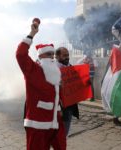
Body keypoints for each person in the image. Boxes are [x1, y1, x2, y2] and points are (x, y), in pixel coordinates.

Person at [16, 20, 66, 150]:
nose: (52, 58)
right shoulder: (33, 70)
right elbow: (20, 54)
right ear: (41, 56)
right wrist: (32, 33)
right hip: (38, 125)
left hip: (56, 122)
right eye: (48, 54)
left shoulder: (56, 72)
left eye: (53, 55)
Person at [55, 47, 79, 136]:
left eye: (68, 55)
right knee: (56, 134)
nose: (67, 57)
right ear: (57, 56)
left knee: (64, 133)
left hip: (68, 107)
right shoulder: (53, 69)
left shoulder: (70, 67)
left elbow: (76, 84)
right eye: (64, 55)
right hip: (57, 107)